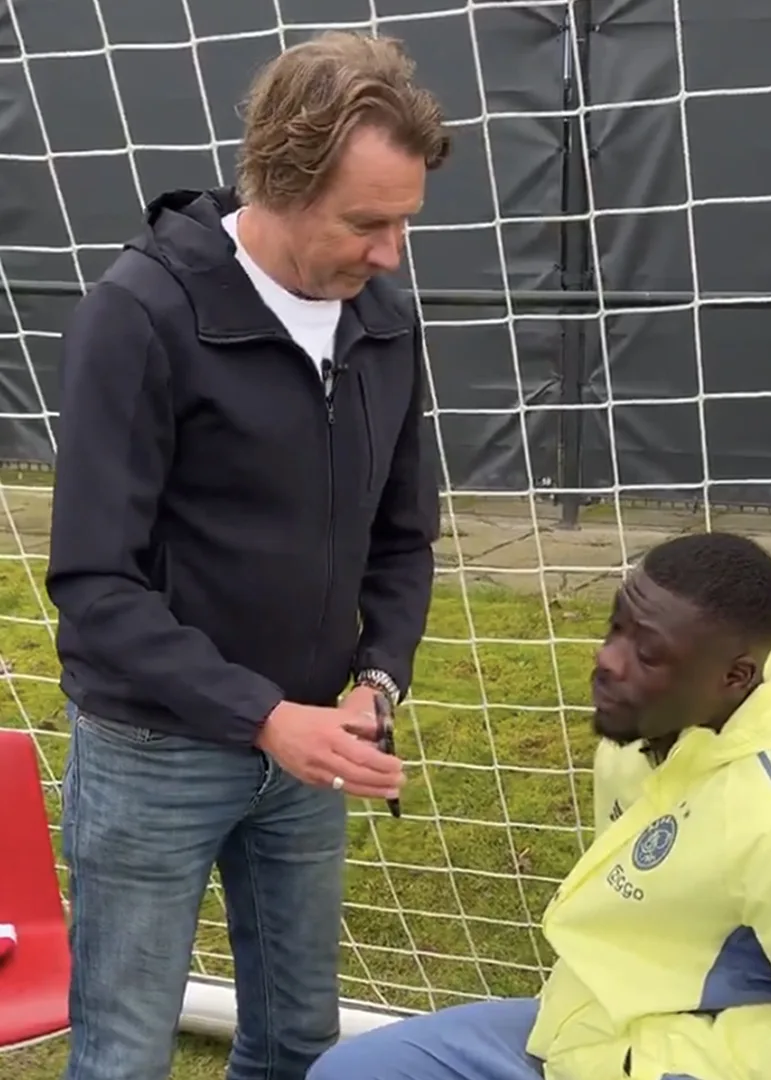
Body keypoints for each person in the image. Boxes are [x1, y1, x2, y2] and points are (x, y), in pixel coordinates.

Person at [45, 31, 449, 1080]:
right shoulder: (141, 315)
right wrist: (264, 716)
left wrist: (377, 679)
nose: (391, 254)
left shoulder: (386, 320)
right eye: (367, 223)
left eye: (405, 222)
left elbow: (403, 536)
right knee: (124, 1056)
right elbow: (94, 583)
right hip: (154, 750)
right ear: (281, 183)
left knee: (297, 1044)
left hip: (313, 746)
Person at [306, 532, 771, 1080]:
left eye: (647, 654)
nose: (607, 660)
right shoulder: (637, 744)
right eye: (616, 628)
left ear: (734, 677)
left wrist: (642, 1065)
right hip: (584, 1037)